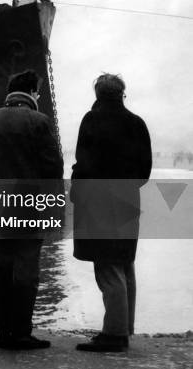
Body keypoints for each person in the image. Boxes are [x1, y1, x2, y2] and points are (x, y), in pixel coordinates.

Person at [0, 69, 63, 350]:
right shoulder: (39, 121)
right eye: (38, 91)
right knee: (26, 270)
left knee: (1, 269)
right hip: (29, 209)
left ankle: (3, 331)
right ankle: (22, 332)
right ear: (33, 92)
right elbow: (53, 167)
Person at [71, 74, 152, 352]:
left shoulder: (92, 121)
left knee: (107, 267)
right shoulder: (137, 123)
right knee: (124, 263)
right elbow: (145, 171)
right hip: (128, 202)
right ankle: (124, 327)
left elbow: (83, 164)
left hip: (98, 203)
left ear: (98, 93)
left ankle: (114, 335)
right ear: (122, 93)